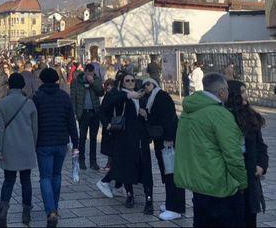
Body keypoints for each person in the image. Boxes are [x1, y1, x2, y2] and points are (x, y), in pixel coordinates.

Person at [175, 73, 247, 227]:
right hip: (219, 186)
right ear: (221, 92)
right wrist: (242, 182)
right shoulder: (220, 114)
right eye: (226, 89)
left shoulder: (188, 111)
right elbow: (233, 155)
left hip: (198, 184)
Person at [99, 73, 153, 214]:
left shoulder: (141, 96)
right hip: (125, 138)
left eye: (132, 80)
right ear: (122, 83)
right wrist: (127, 96)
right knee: (128, 167)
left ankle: (149, 200)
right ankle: (129, 196)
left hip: (141, 139)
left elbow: (151, 113)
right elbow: (106, 106)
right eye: (127, 80)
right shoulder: (119, 95)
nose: (130, 82)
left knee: (145, 168)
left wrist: (145, 114)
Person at [33, 68, 80, 227]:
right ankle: (55, 206)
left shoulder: (37, 97)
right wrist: (76, 142)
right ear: (56, 80)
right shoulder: (64, 96)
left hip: (43, 142)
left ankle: (51, 210)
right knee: (56, 175)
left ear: (42, 80)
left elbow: (32, 122)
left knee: (45, 177)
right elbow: (71, 122)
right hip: (61, 142)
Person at [0, 73, 38, 227]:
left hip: (9, 148)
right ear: (22, 86)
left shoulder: (2, 103)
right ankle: (26, 212)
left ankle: (3, 211)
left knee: (8, 181)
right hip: (26, 148)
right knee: (26, 181)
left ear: (9, 85)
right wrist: (34, 147)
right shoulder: (30, 103)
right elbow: (35, 130)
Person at [140, 78, 185, 221]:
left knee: (172, 173)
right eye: (144, 85)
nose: (146, 87)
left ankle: (175, 208)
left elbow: (169, 118)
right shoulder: (153, 98)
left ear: (154, 84)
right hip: (163, 141)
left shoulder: (161, 96)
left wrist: (169, 138)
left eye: (148, 84)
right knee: (167, 173)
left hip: (167, 141)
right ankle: (170, 203)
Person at [226, 80, 269, 228]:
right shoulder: (225, 117)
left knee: (250, 216)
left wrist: (261, 166)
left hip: (251, 172)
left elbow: (261, 146)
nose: (246, 95)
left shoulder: (251, 116)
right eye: (242, 92)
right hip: (232, 174)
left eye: (245, 91)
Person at [70, 63, 104, 170]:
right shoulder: (77, 81)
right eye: (88, 73)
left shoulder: (96, 80)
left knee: (93, 138)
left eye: (91, 73)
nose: (90, 75)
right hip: (83, 112)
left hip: (94, 112)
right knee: (83, 137)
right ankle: (81, 160)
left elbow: (101, 93)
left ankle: (93, 162)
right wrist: (74, 113)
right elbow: (73, 97)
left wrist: (93, 83)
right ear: (84, 72)